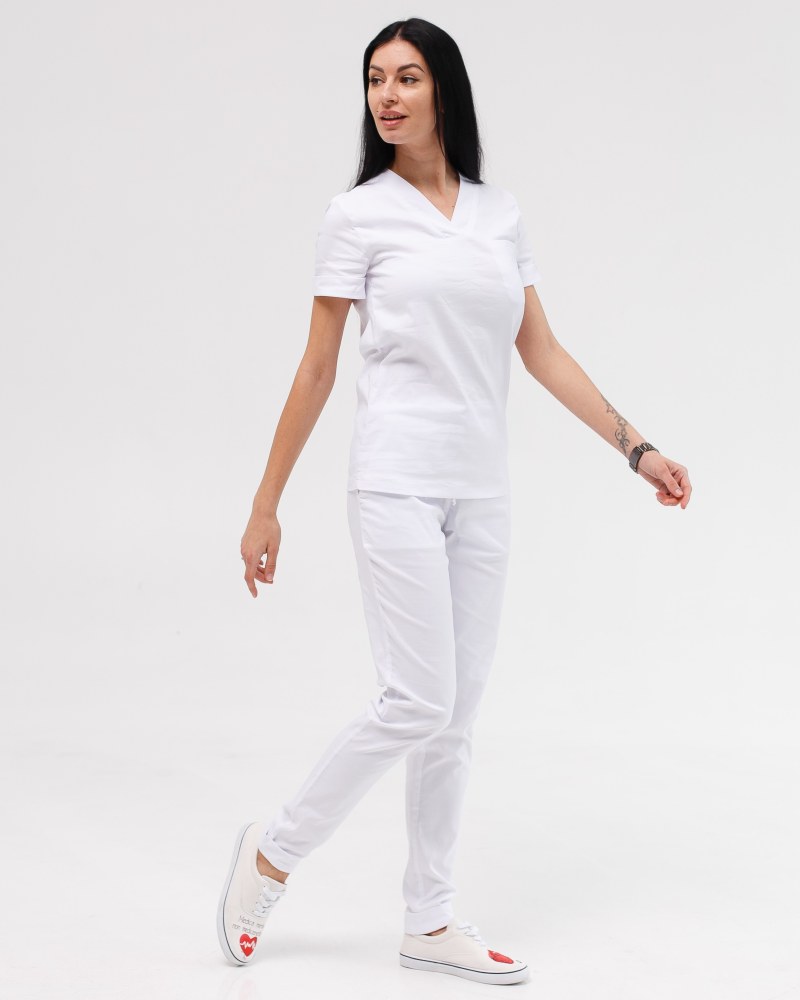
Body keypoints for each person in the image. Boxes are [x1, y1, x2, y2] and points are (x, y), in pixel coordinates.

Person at [216, 16, 692, 986]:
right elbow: (316, 368)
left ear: (444, 89)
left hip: (481, 491)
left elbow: (540, 349)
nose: (386, 96)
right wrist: (267, 503)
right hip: (393, 478)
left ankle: (428, 919)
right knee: (417, 698)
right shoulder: (356, 216)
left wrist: (634, 447)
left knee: (456, 716)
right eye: (373, 79)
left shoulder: (496, 214)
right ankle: (272, 852)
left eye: (406, 77)